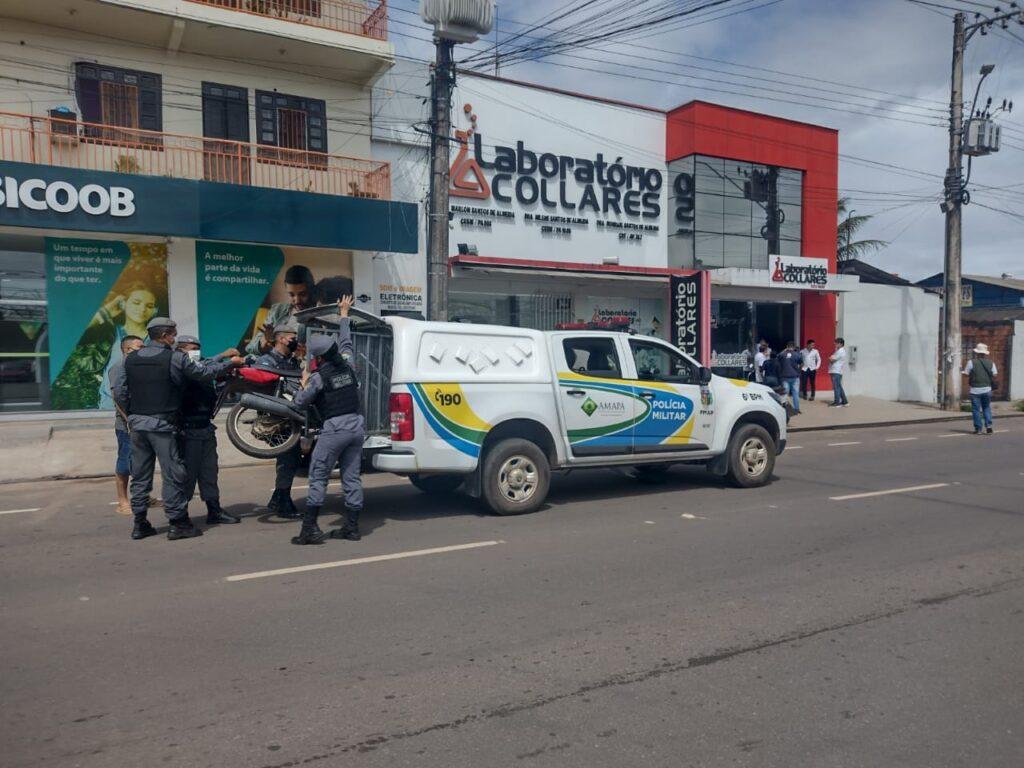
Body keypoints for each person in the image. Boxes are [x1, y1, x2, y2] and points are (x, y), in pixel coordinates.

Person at [113, 318, 243, 541]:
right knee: (173, 475)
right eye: (173, 335)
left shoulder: (130, 359)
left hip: (138, 426)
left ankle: (140, 524)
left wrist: (133, 416)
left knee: (140, 476)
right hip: (163, 425)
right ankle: (178, 523)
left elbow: (120, 393)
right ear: (164, 335)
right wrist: (229, 364)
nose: (174, 339)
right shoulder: (173, 358)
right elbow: (202, 373)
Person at [290, 295, 365, 546]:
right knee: (351, 477)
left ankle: (309, 529)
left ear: (319, 358)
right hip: (357, 426)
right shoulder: (348, 364)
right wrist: (344, 314)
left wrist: (303, 384)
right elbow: (346, 342)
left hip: (335, 428)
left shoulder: (319, 377)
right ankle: (352, 528)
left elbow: (300, 403)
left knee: (319, 474)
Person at [175, 335, 241, 525]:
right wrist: (228, 361)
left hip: (205, 427)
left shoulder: (200, 364)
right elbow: (205, 369)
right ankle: (180, 515)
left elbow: (207, 363)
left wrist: (224, 359)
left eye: (197, 348)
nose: (196, 352)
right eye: (191, 348)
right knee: (187, 474)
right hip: (187, 430)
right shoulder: (180, 367)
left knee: (209, 471)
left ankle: (214, 510)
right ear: (180, 350)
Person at [254, 322, 304, 519]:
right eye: (292, 338)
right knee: (288, 457)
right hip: (275, 420)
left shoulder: (291, 360)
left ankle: (279, 497)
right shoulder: (266, 360)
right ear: (282, 339)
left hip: (291, 417)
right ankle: (282, 501)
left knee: (292, 458)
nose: (295, 341)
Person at [245, 265, 317, 356]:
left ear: (311, 290)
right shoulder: (278, 310)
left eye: (302, 294)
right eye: (291, 295)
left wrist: (307, 352)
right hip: (266, 360)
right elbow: (251, 347)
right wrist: (264, 343)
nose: (297, 300)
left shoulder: (321, 316)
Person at [109, 335, 144, 515]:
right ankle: (122, 501)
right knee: (125, 463)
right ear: (127, 349)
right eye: (140, 347)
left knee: (142, 463)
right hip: (127, 425)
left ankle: (143, 496)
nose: (143, 351)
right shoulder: (118, 367)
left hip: (141, 422)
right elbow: (117, 398)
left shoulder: (139, 367)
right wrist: (129, 420)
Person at [964, 342, 997, 434]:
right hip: (987, 389)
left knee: (976, 410)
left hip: (975, 390)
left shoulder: (971, 362)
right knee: (986, 408)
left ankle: (978, 429)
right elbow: (995, 374)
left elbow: (966, 374)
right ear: (985, 353)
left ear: (977, 353)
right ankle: (989, 427)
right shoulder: (991, 363)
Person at [777, 341, 803, 414]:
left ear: (787, 346)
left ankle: (784, 409)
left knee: (785, 394)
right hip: (795, 376)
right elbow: (801, 364)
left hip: (785, 376)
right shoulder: (797, 354)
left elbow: (777, 357)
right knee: (795, 394)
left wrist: (784, 350)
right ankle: (797, 409)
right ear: (794, 347)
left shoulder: (782, 354)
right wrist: (799, 371)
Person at [828, 337, 849, 408]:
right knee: (839, 387)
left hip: (836, 371)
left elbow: (832, 359)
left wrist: (830, 358)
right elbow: (831, 358)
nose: (835, 344)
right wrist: (831, 358)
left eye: (836, 343)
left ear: (841, 344)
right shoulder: (838, 351)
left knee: (836, 387)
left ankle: (837, 403)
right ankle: (845, 402)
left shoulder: (840, 351)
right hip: (835, 371)